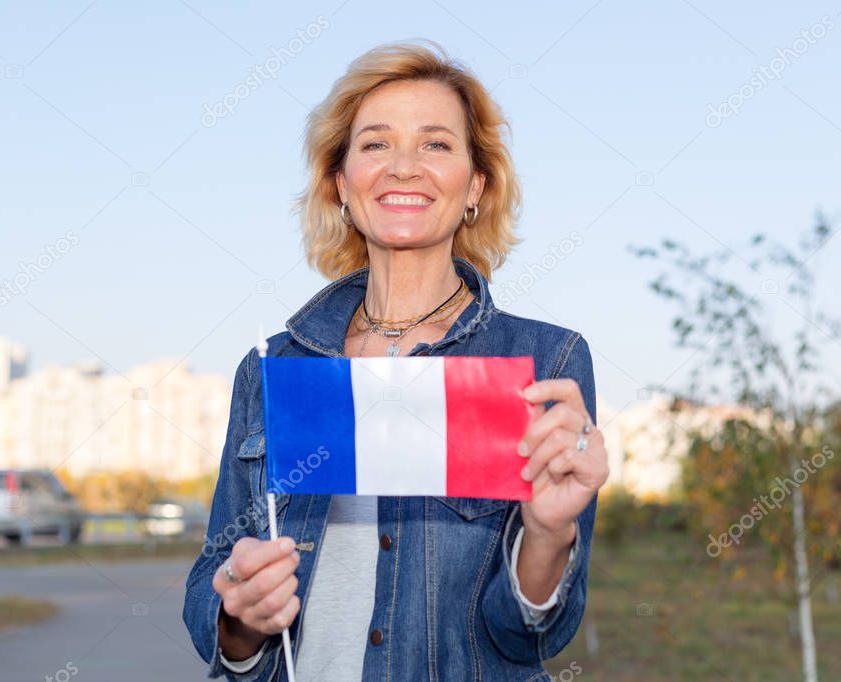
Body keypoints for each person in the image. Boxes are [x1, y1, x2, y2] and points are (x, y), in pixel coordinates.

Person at [183, 39, 608, 681]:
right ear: (341, 184)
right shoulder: (275, 365)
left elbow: (524, 638)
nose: (403, 167)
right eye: (376, 144)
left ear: (476, 185)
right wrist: (240, 614)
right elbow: (210, 590)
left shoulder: (544, 361)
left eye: (436, 144)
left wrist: (547, 534)